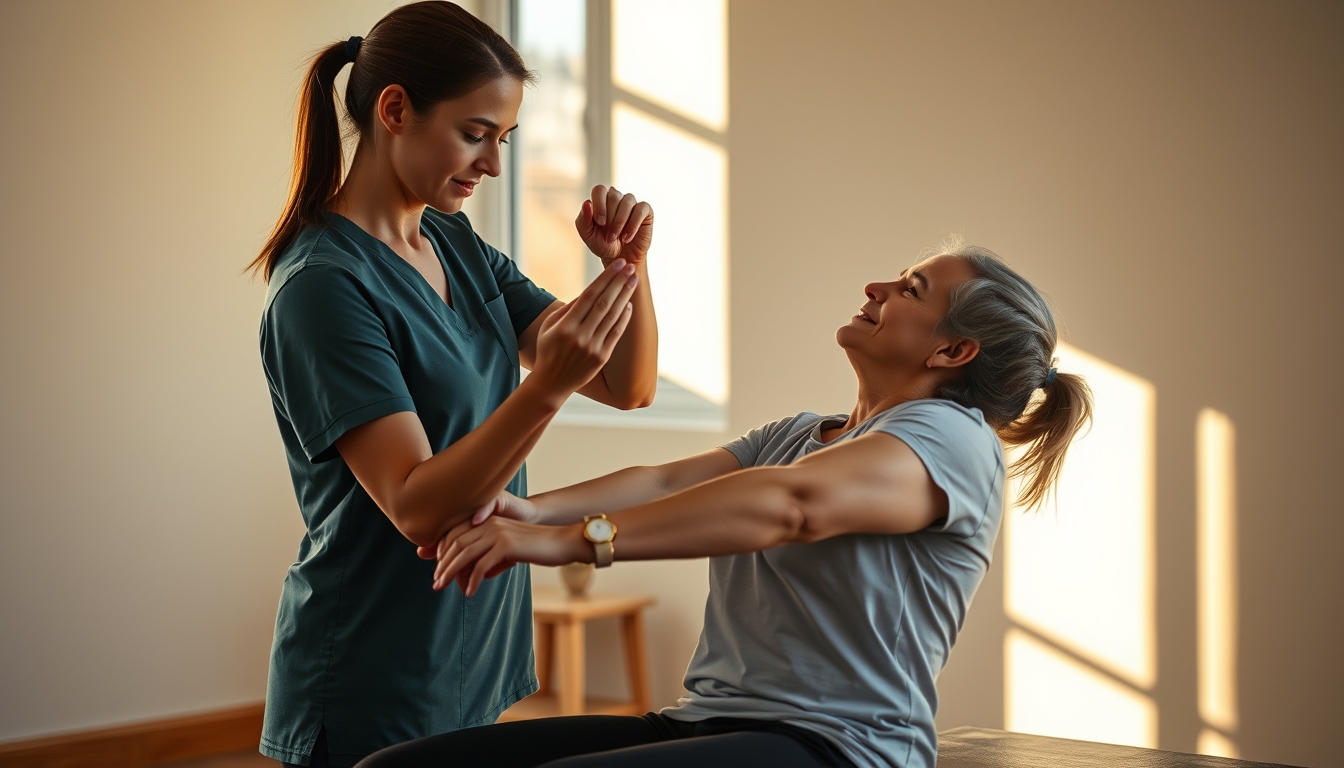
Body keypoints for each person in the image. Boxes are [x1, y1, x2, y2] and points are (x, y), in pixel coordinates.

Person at [355, 244, 1094, 768]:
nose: (877, 287)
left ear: (953, 353)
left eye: (911, 289)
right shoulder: (802, 434)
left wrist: (574, 541)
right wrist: (526, 514)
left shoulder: (953, 439)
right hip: (709, 720)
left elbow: (793, 504)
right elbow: (664, 483)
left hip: (842, 746)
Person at [250, 3, 660, 765]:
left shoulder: (455, 242)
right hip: (374, 665)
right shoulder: (323, 286)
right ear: (394, 110)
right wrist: (545, 389)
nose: (493, 165)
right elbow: (417, 508)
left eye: (503, 139)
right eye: (475, 134)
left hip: (475, 642)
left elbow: (626, 385)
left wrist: (628, 269)